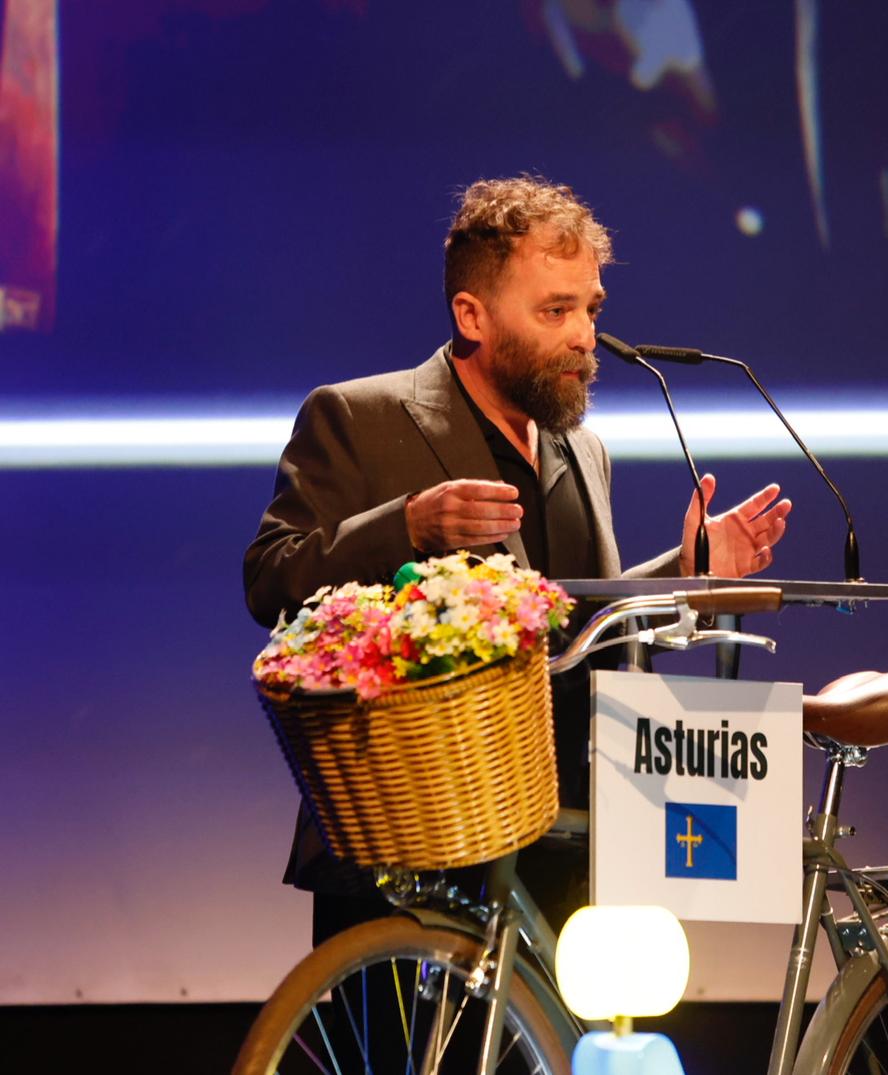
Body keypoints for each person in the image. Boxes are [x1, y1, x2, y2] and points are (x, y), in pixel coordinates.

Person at [244, 175, 791, 943]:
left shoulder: (584, 449)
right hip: (411, 848)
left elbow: (565, 619)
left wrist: (686, 575)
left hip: (564, 836)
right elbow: (272, 576)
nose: (585, 336)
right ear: (472, 315)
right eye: (555, 311)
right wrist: (408, 526)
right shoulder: (358, 416)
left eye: (590, 309)